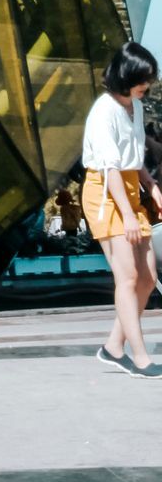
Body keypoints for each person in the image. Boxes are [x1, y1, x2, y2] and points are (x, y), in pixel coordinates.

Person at [82, 40, 159, 372]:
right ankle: (139, 357)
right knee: (127, 277)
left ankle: (114, 346)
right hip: (105, 194)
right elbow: (110, 167)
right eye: (144, 79)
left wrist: (152, 186)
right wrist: (127, 214)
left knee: (147, 278)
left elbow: (133, 158)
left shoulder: (135, 106)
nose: (148, 85)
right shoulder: (104, 110)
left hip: (128, 188)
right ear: (127, 76)